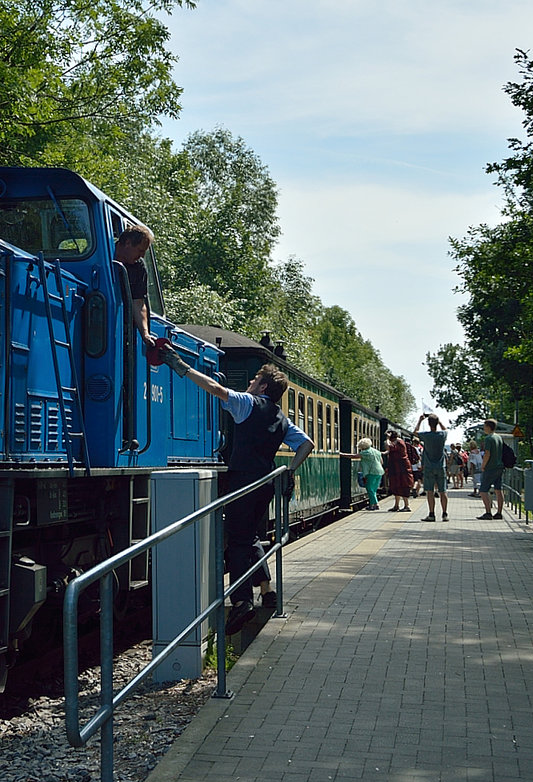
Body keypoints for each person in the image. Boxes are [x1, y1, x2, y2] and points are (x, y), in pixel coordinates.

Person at [159, 352, 314, 634]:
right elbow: (307, 444)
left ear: (263, 386)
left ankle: (242, 601)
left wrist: (183, 368)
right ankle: (267, 590)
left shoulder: (247, 403)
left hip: (243, 481)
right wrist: (290, 470)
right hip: (265, 483)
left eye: (254, 380)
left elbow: (215, 388)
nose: (250, 383)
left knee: (238, 541)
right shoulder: (282, 419)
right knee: (251, 536)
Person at [113, 225, 157, 349]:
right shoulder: (103, 253)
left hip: (121, 328)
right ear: (128, 243)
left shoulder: (139, 267)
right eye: (140, 250)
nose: (142, 256)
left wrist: (145, 334)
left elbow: (138, 303)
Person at [413, 412, 449, 522]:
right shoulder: (442, 435)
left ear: (429, 424)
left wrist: (420, 420)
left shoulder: (426, 435)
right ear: (437, 423)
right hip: (441, 466)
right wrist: (439, 421)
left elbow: (415, 432)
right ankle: (444, 514)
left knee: (430, 491)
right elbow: (445, 429)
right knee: (443, 491)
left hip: (429, 467)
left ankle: (432, 514)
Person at [340, 438, 384, 511]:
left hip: (371, 472)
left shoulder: (365, 452)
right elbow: (381, 462)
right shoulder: (376, 451)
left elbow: (354, 456)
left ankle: (375, 504)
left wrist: (342, 454)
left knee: (369, 489)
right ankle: (372, 504)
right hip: (379, 472)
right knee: (374, 489)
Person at [478, 419, 505, 520]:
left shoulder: (488, 438)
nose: (484, 428)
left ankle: (488, 512)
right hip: (499, 466)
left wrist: (483, 465)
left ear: (488, 427)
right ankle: (499, 513)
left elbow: (487, 453)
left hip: (490, 467)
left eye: (484, 426)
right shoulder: (498, 437)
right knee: (498, 489)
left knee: (483, 490)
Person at [382, 430, 413, 512]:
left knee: (403, 485)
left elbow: (389, 447)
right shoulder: (396, 442)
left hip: (402, 467)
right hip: (395, 466)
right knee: (396, 486)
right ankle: (396, 505)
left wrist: (388, 438)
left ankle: (406, 505)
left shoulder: (399, 442)